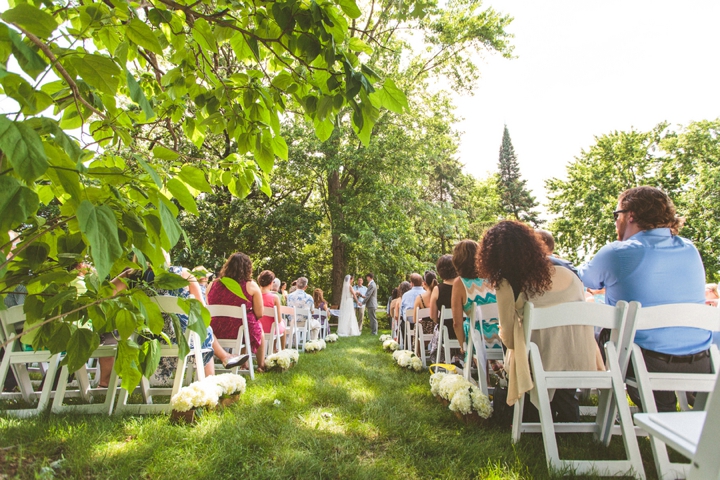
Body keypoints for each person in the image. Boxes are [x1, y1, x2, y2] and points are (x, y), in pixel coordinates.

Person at [577, 186, 711, 412]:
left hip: (644, 362)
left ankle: (650, 410)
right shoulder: (689, 249)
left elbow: (583, 279)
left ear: (631, 215)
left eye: (616, 215)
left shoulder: (618, 253)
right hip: (700, 360)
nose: (615, 222)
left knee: (598, 328)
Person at [477, 221, 604, 421]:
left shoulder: (507, 281)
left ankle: (533, 411)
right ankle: (566, 412)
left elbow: (509, 339)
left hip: (537, 362)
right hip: (580, 357)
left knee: (517, 345)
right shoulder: (569, 274)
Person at [207, 252, 266, 371]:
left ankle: (244, 363)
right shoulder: (251, 286)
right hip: (240, 330)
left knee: (248, 324)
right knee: (257, 329)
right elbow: (259, 314)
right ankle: (261, 366)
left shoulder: (212, 284)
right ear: (248, 268)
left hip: (215, 330)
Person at [450, 240, 499, 359]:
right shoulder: (493, 278)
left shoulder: (460, 283)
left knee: (468, 324)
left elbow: (457, 323)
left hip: (478, 342)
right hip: (501, 339)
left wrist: (464, 346)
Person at [429, 255, 457, 357]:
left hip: (447, 332)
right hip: (465, 331)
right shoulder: (464, 287)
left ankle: (441, 357)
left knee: (438, 329)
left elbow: (433, 316)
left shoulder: (437, 289)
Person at [258, 270, 285, 351]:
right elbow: (279, 320)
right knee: (283, 323)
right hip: (270, 329)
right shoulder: (275, 297)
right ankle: (282, 350)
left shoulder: (254, 296)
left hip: (258, 327)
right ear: (271, 283)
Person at [413, 271, 438, 354]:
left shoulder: (419, 298)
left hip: (424, 330)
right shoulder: (439, 295)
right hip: (437, 327)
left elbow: (414, 319)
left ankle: (418, 353)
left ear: (424, 283)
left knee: (418, 326)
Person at [400, 274, 425, 348]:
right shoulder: (426, 293)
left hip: (409, 323)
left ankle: (407, 345)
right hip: (423, 323)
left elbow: (401, 311)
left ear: (412, 283)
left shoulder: (406, 295)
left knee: (403, 322)